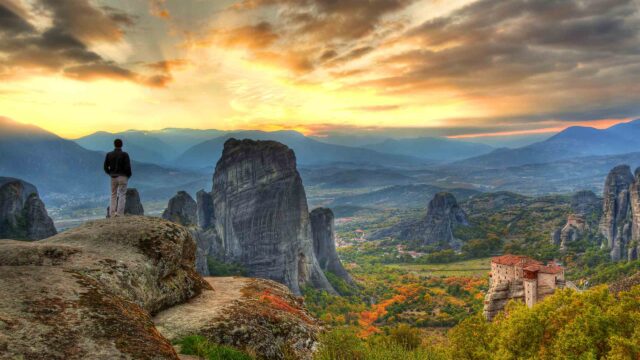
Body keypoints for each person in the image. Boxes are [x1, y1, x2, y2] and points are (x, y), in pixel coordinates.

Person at [104, 139, 132, 217]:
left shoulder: (109, 154)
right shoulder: (125, 155)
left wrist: (110, 173)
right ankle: (120, 214)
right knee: (122, 194)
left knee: (113, 194)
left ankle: (112, 214)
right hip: (123, 176)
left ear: (114, 145)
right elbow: (128, 167)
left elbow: (105, 167)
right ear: (121, 145)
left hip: (113, 177)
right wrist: (128, 176)